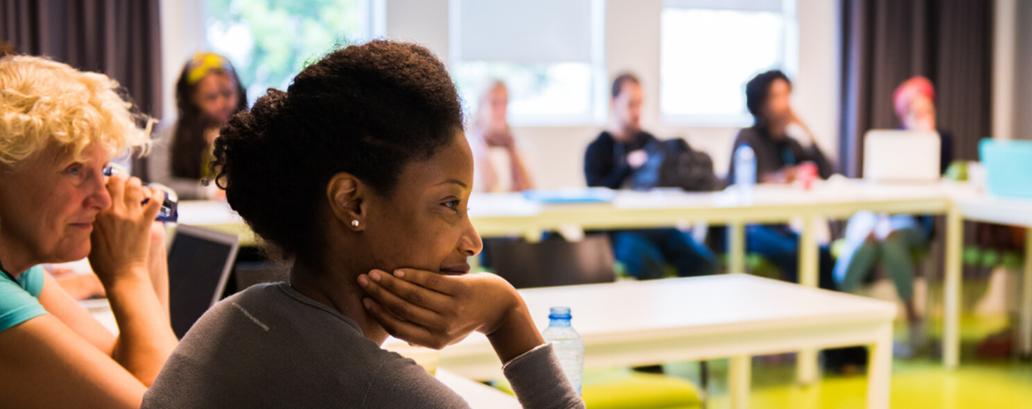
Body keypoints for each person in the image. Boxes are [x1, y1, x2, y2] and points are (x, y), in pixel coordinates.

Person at [142, 40, 583, 409]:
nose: (472, 241)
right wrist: (507, 317)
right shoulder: (385, 392)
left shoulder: (228, 319)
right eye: (450, 203)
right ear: (352, 202)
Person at [0, 55, 177, 408]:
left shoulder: (20, 270)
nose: (103, 199)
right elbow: (175, 402)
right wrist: (128, 275)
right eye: (75, 170)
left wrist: (148, 251)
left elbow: (120, 364)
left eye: (104, 169)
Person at [832, 76, 954, 355]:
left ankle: (912, 318)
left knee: (891, 238)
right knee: (865, 233)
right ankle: (841, 313)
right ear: (903, 114)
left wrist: (926, 140)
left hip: (910, 222)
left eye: (929, 111)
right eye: (917, 112)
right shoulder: (888, 142)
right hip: (876, 213)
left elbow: (942, 179)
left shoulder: (941, 141)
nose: (924, 117)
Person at [583, 73, 718, 280]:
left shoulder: (651, 143)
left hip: (656, 224)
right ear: (613, 103)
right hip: (620, 230)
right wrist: (626, 166)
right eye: (631, 105)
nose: (637, 112)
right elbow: (597, 193)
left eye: (640, 104)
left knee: (704, 261)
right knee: (650, 265)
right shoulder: (597, 149)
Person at [725, 70, 835, 283]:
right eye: (777, 97)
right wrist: (778, 178)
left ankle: (834, 313)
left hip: (781, 225)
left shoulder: (788, 144)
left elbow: (827, 171)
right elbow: (737, 181)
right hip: (751, 226)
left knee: (822, 254)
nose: (784, 104)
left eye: (787, 96)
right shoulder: (748, 137)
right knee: (797, 254)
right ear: (761, 103)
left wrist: (805, 130)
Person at [148, 53, 247, 200]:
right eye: (211, 97)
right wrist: (207, 191)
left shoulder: (252, 129)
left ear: (238, 90)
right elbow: (160, 183)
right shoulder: (169, 133)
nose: (221, 104)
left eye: (228, 94)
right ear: (192, 98)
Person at [467, 80, 534, 193]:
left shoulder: (524, 152)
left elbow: (535, 195)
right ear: (480, 108)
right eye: (494, 103)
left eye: (504, 103)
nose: (500, 110)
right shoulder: (469, 151)